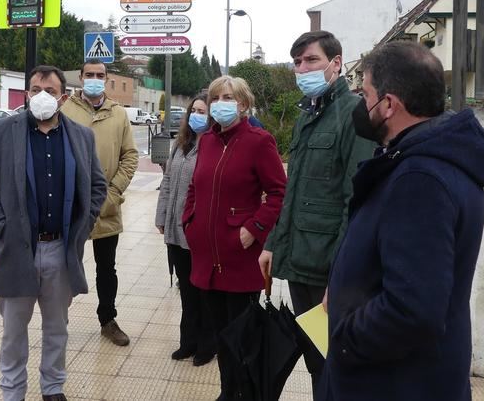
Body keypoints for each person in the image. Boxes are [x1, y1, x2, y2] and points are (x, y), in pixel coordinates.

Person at [317, 42, 484, 400]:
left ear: (388, 104)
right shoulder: (421, 161)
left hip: (394, 383)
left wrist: (343, 338)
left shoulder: (420, 180)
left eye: (365, 92)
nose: (359, 102)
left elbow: (412, 310)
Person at [0, 65, 107, 401]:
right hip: (17, 251)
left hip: (60, 251)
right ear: (27, 93)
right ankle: (13, 391)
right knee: (14, 332)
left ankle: (53, 387)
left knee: (57, 329)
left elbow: (98, 186)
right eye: (34, 89)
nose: (40, 95)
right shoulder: (4, 131)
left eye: (48, 90)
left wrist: (83, 225)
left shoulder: (81, 135)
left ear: (63, 96)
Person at [258, 30, 375, 387]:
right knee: (315, 359)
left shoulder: (352, 115)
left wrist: (341, 277)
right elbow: (293, 191)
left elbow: (355, 201)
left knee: (334, 363)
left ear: (336, 64)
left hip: (328, 270)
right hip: (301, 267)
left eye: (311, 60)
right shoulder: (308, 116)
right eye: (297, 62)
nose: (302, 69)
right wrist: (274, 243)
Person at [182, 76, 287, 401]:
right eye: (215, 98)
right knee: (221, 337)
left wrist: (254, 229)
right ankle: (228, 392)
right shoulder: (208, 141)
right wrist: (190, 221)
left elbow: (279, 193)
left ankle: (244, 393)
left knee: (242, 339)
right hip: (206, 260)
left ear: (243, 104)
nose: (219, 104)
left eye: (227, 98)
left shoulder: (259, 141)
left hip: (240, 260)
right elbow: (193, 187)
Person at [60, 59, 139, 346]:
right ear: (80, 77)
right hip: (72, 207)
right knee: (66, 265)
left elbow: (130, 156)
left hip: (107, 206)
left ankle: (108, 320)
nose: (95, 78)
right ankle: (59, 319)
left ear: (106, 79)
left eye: (100, 75)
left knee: (107, 268)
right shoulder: (65, 110)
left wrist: (114, 192)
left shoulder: (118, 114)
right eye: (89, 74)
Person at [154, 92, 216, 366]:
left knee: (203, 291)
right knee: (186, 289)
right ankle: (187, 341)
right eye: (195, 110)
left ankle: (207, 343)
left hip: (199, 233)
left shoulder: (214, 147)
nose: (197, 116)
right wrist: (162, 216)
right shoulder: (181, 145)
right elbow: (167, 182)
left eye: (203, 111)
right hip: (176, 231)